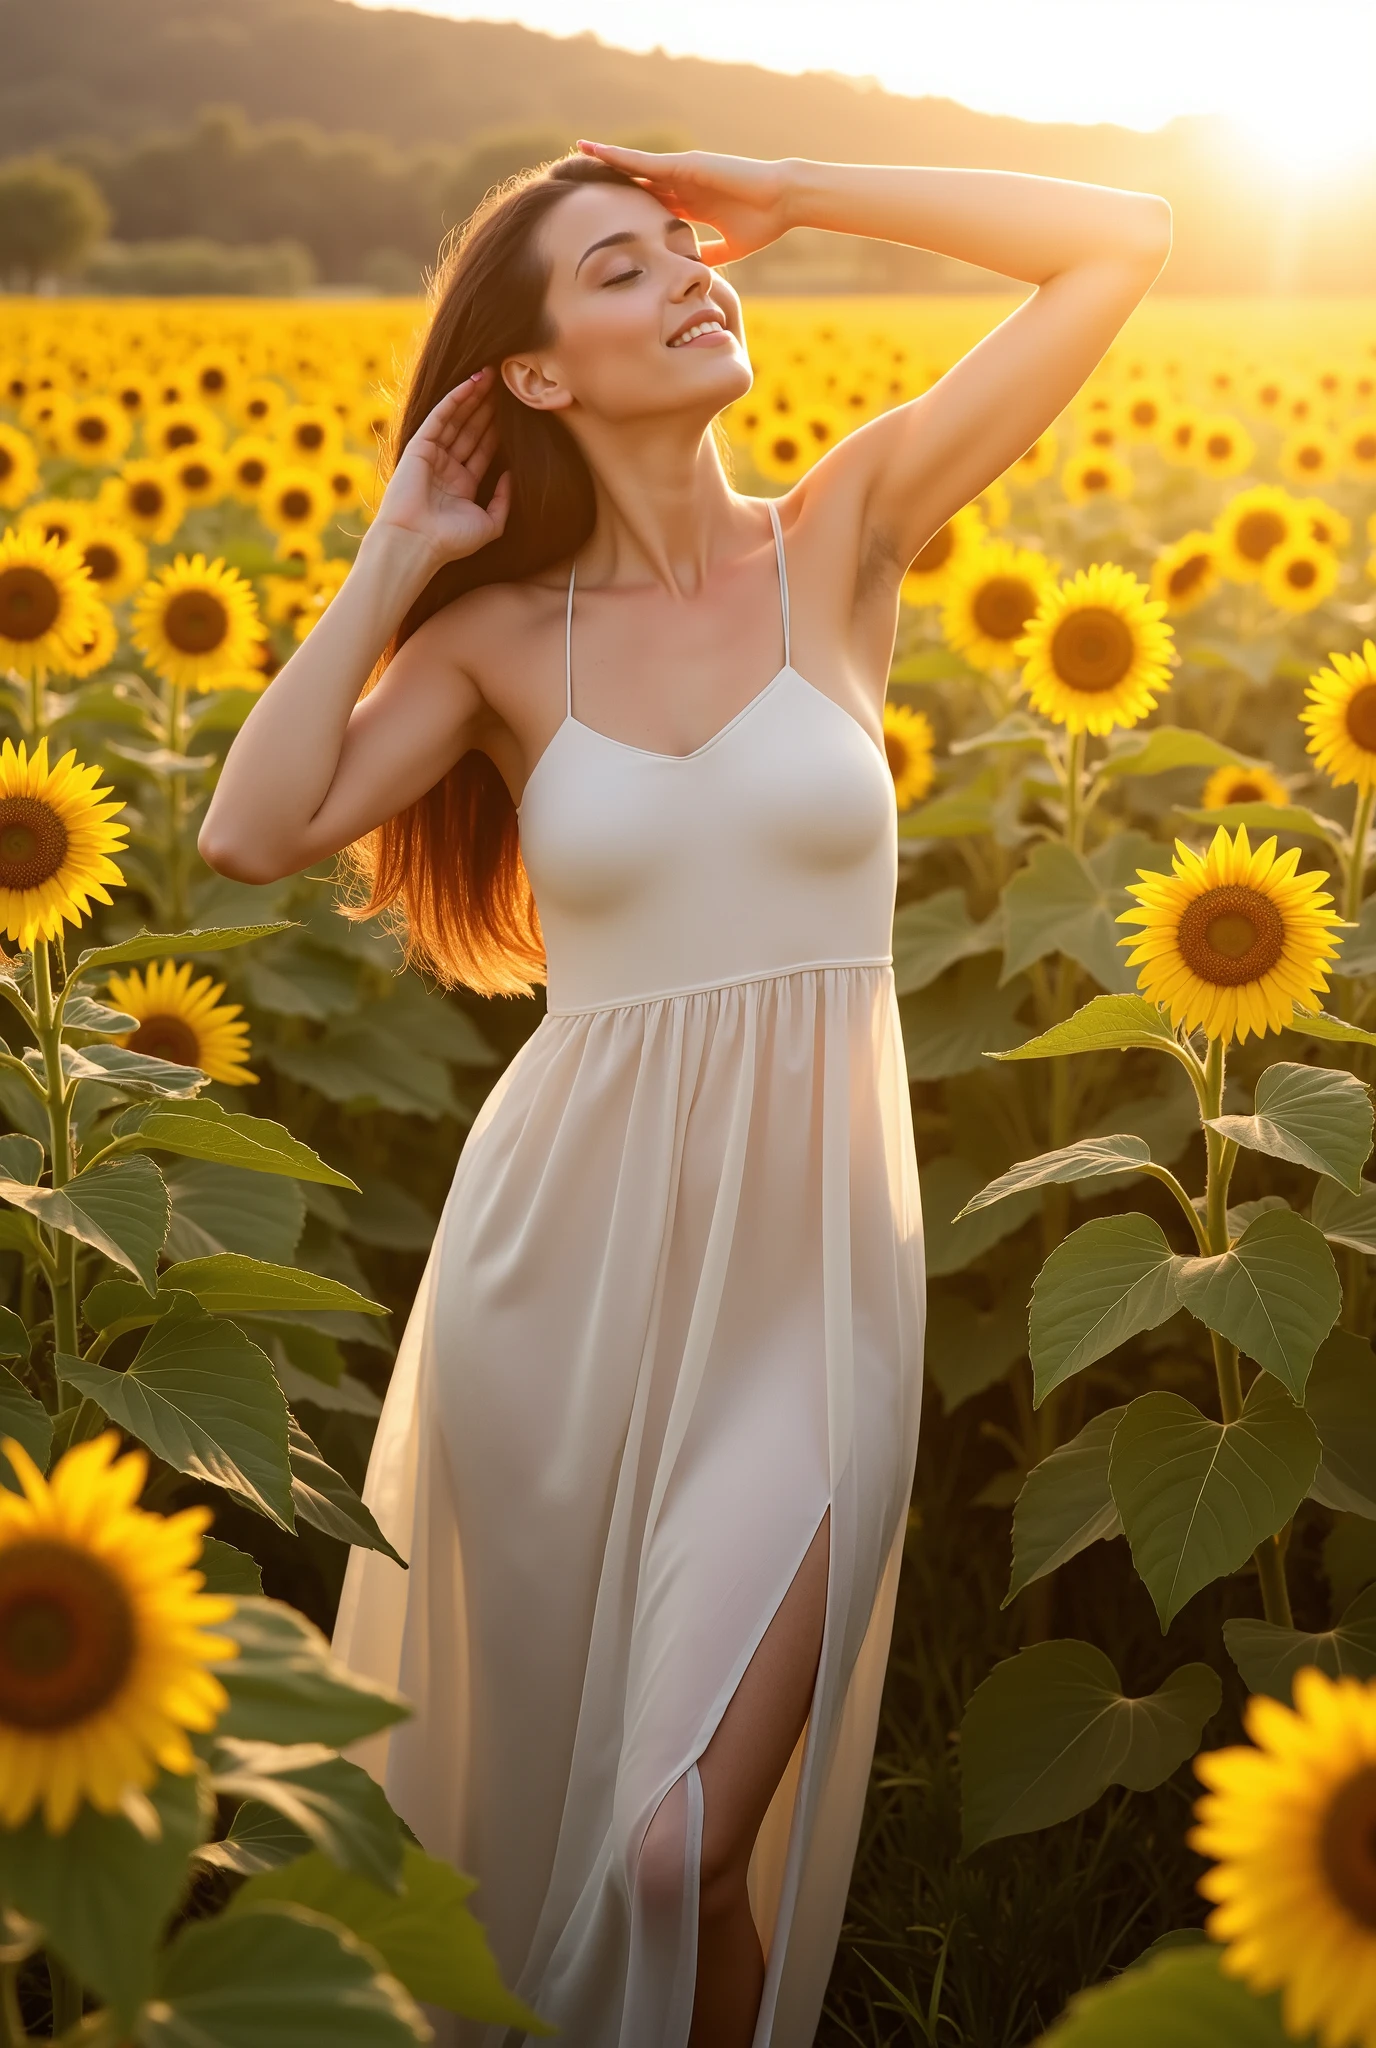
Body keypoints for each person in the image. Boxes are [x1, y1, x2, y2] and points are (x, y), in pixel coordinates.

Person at [199, 141, 1170, 2048]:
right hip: (554, 1279)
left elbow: (1122, 241)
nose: (689, 280)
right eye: (623, 273)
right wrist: (404, 548)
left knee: (668, 1847)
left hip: (809, 1280)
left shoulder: (846, 529)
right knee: (544, 1795)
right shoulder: (495, 644)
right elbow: (252, 829)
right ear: (537, 375)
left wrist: (796, 185)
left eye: (688, 254)